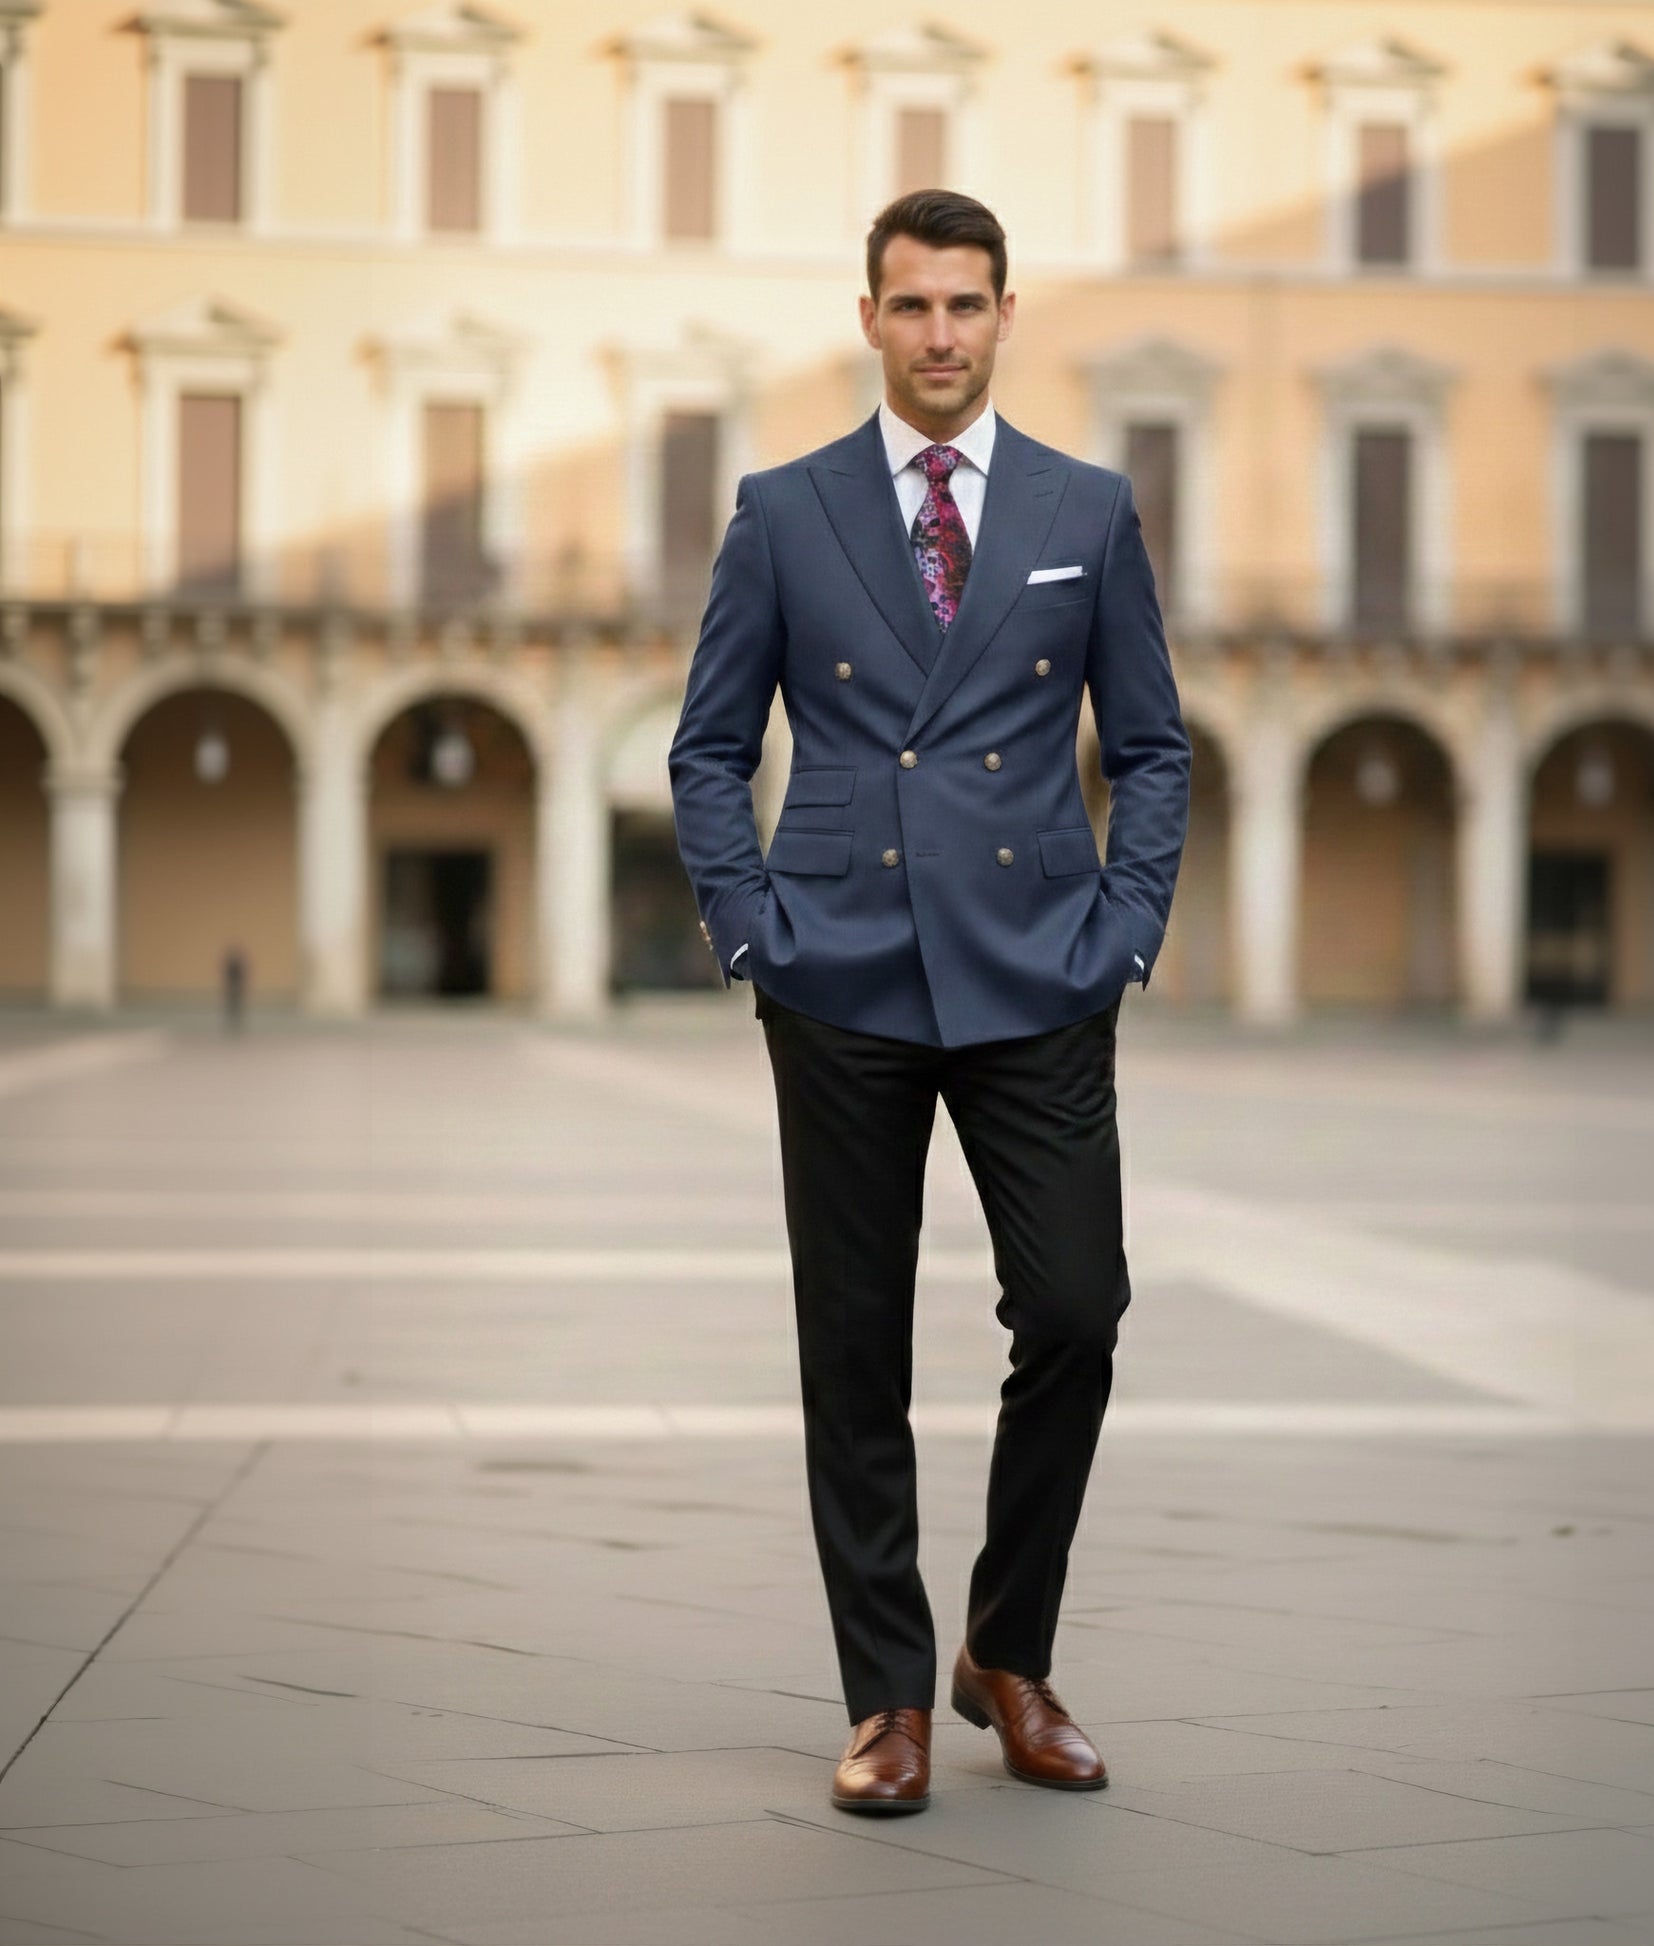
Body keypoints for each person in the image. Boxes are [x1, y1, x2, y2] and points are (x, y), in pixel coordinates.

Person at [669, 190, 1191, 1814]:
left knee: (1077, 1311)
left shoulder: (1086, 507)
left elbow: (1151, 746)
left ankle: (1006, 1651)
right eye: (912, 305)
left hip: (1039, 968)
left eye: (966, 304)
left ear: (1005, 316)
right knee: (852, 1343)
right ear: (870, 320)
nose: (941, 333)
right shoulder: (783, 510)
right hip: (840, 970)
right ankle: (885, 1697)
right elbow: (707, 748)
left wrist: (1124, 930)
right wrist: (750, 929)